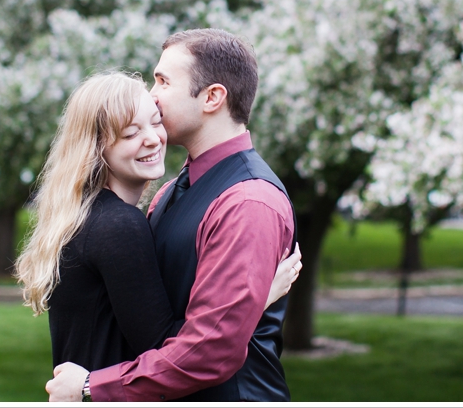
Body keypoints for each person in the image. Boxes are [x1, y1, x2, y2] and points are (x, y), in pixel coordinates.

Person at [46, 28, 297, 402]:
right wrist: (253, 302)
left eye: (163, 81)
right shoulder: (168, 191)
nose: (151, 95)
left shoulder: (248, 203)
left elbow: (211, 352)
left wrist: (90, 386)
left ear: (212, 97)